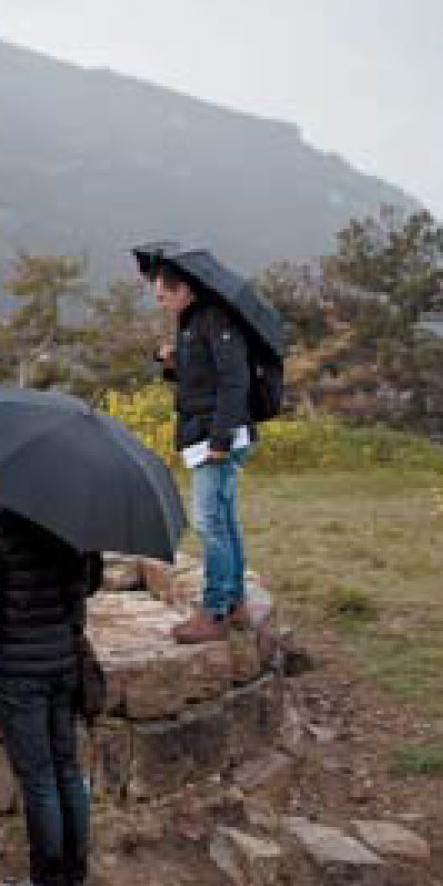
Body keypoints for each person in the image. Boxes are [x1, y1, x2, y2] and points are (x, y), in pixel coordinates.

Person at [0, 506, 100, 886]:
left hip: (18, 671)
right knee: (66, 770)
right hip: (63, 662)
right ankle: (72, 880)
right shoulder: (77, 521)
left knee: (39, 778)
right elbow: (89, 585)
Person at [152, 261, 254, 643]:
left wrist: (221, 440)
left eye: (164, 296)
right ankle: (235, 603)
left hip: (216, 436)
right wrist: (172, 362)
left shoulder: (214, 319)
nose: (162, 304)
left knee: (210, 523)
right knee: (225, 521)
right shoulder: (192, 323)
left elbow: (234, 380)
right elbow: (198, 382)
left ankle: (214, 613)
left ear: (183, 290)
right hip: (206, 432)